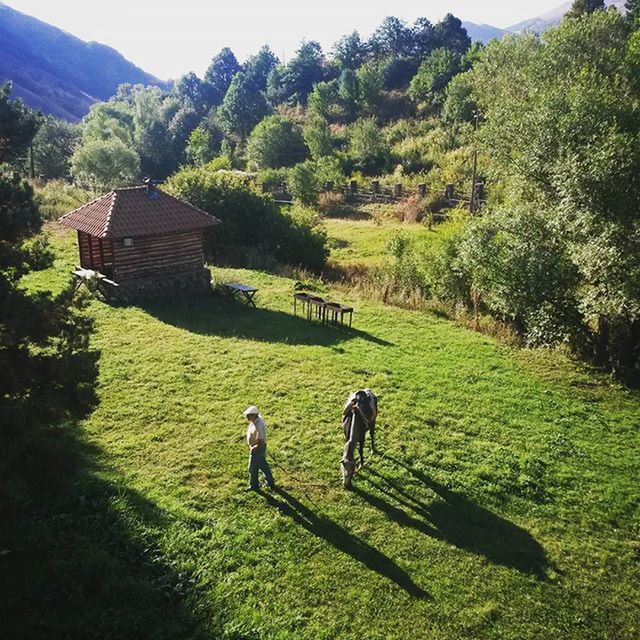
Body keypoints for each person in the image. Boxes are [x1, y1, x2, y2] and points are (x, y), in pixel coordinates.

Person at [243, 405, 275, 491]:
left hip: (257, 449)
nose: (247, 417)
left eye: (248, 416)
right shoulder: (256, 420)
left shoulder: (258, 426)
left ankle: (254, 486)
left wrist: (253, 448)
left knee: (252, 467)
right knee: (262, 466)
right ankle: (270, 482)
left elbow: (261, 441)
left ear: (254, 415)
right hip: (257, 449)